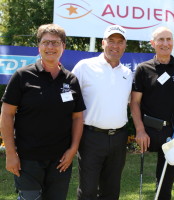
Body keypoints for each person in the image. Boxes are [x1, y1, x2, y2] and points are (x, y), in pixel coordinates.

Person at [0, 24, 85, 200]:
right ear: (39, 46)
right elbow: (7, 114)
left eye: (55, 43)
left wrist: (73, 149)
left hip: (61, 160)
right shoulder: (22, 76)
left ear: (63, 46)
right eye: (45, 42)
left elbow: (77, 117)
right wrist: (10, 153)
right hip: (28, 158)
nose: (50, 47)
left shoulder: (71, 80)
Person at [130, 26, 174, 200]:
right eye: (161, 39)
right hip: (149, 130)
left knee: (165, 185)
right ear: (153, 43)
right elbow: (134, 102)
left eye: (168, 39)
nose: (165, 43)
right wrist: (140, 130)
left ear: (173, 42)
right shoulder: (143, 69)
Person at [72, 24, 132, 200]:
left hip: (119, 138)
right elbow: (70, 101)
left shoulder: (128, 73)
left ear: (125, 45)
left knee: (111, 192)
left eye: (120, 42)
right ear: (102, 43)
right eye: (111, 41)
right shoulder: (84, 67)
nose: (115, 46)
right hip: (91, 138)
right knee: (88, 191)